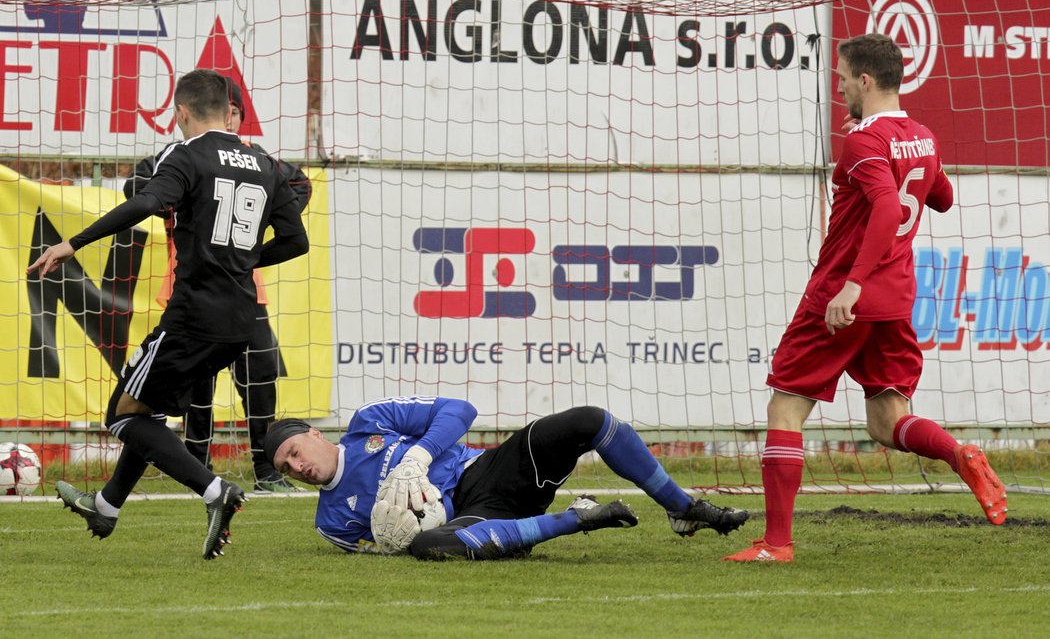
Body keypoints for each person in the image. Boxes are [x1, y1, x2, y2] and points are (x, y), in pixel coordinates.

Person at [724, 34, 1008, 564]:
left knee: (785, 407)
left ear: (866, 81)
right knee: (886, 421)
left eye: (843, 79)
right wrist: (916, 170)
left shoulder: (862, 141)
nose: (840, 89)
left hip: (842, 298)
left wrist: (851, 286)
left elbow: (883, 207)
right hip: (895, 302)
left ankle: (777, 545)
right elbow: (942, 197)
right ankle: (959, 452)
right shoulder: (922, 136)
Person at [29, 68, 309, 559]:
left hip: (192, 315)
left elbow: (145, 201)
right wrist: (242, 261)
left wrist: (73, 243)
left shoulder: (186, 153)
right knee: (149, 410)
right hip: (242, 320)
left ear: (180, 112)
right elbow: (296, 241)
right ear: (230, 112)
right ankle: (107, 506)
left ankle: (215, 490)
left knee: (120, 415)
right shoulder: (264, 163)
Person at [263, 397, 750, 560]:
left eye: (293, 452)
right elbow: (384, 547)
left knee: (589, 420)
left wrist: (418, 455)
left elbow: (460, 410)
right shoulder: (329, 522)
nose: (297, 468)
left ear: (312, 433)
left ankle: (683, 509)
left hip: (492, 470)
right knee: (431, 548)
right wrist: (402, 529)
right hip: (474, 519)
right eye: (287, 469)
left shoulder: (370, 423)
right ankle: (576, 519)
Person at [124, 78, 311, 493]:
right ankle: (196, 465)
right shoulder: (184, 158)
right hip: (189, 289)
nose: (232, 117)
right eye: (228, 110)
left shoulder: (260, 162)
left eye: (237, 111)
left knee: (260, 378)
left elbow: (299, 185)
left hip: (247, 293)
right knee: (195, 389)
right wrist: (182, 206)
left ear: (238, 117)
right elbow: (136, 186)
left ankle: (265, 471)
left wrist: (254, 229)